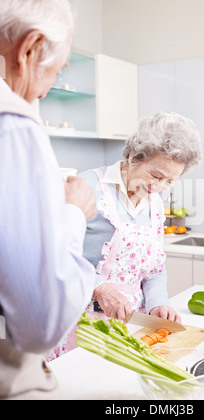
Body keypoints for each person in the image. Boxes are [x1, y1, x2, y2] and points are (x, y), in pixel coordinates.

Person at [0, 0, 99, 400]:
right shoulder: (15, 128)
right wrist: (73, 213)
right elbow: (40, 324)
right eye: (55, 73)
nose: (43, 90)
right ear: (29, 49)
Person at [60, 112, 202, 355]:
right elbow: (54, 254)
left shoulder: (155, 204)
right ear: (134, 156)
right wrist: (100, 288)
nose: (158, 187)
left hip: (132, 327)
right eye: (156, 175)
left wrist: (158, 305)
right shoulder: (86, 187)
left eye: (169, 181)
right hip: (79, 326)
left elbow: (155, 269)